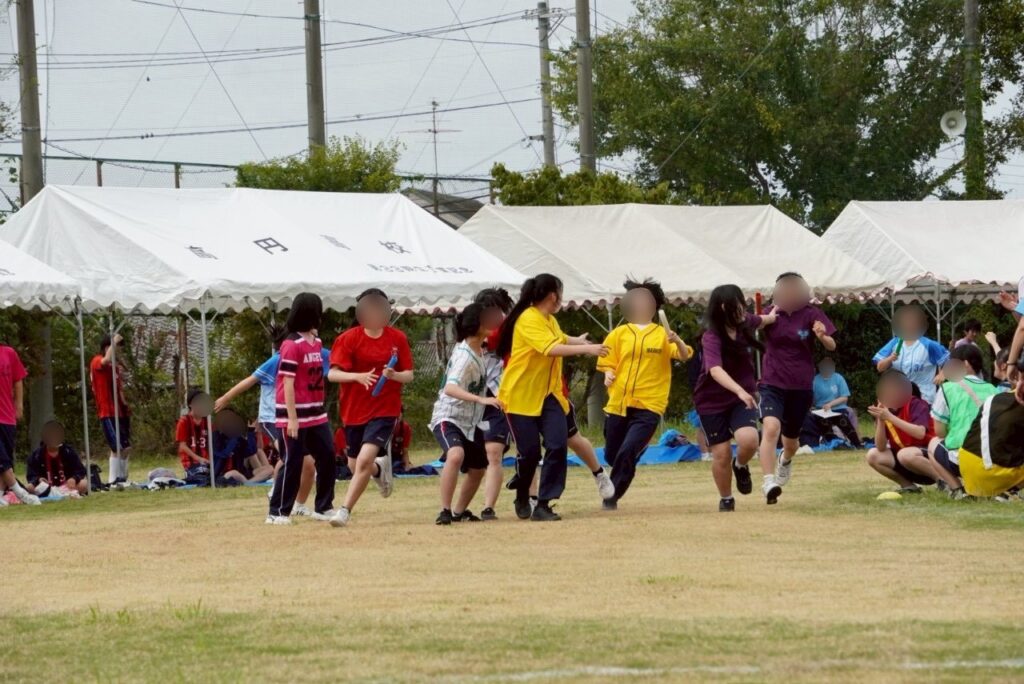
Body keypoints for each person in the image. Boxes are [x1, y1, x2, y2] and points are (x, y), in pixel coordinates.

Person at [495, 274, 608, 522]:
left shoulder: (549, 320)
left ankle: (544, 504)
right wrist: (587, 349)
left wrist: (576, 340)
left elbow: (559, 338)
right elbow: (550, 348)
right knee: (530, 453)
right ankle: (523, 493)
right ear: (553, 295)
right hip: (520, 396)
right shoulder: (528, 319)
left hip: (549, 395)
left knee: (557, 445)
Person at [596, 278, 692, 509]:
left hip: (649, 404)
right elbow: (607, 361)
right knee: (612, 454)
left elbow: (684, 355)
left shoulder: (662, 334)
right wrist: (608, 373)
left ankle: (612, 497)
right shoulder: (619, 333)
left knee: (627, 451)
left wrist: (677, 340)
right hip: (618, 403)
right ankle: (635, 453)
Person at [328, 288, 414, 527]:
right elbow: (333, 374)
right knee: (355, 465)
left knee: (364, 459)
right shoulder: (347, 339)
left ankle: (344, 511)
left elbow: (409, 375)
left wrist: (394, 375)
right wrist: (357, 377)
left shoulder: (397, 339)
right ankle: (379, 470)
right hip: (354, 411)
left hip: (385, 409)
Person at [216, 327, 323, 515]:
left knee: (307, 464)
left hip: (294, 418)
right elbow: (250, 380)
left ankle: (298, 505)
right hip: (272, 418)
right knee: (292, 456)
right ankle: (276, 491)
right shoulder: (277, 360)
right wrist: (226, 398)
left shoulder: (309, 356)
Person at [693, 285, 776, 511]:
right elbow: (715, 370)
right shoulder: (711, 337)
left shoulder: (744, 321)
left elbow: (763, 320)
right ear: (723, 307)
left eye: (742, 304)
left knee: (749, 440)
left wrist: (775, 313)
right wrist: (739, 390)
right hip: (711, 402)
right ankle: (727, 499)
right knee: (721, 454)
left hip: (742, 398)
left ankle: (740, 465)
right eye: (737, 305)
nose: (742, 310)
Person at [757, 272, 837, 501]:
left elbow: (831, 345)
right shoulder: (770, 312)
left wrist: (822, 336)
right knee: (771, 428)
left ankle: (785, 460)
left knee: (791, 443)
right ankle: (768, 482)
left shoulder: (812, 313)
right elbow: (749, 326)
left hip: (801, 386)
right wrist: (765, 320)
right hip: (772, 383)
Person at [267, 293, 337, 525]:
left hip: (316, 413)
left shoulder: (316, 342)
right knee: (292, 462)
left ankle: (324, 506)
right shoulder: (290, 345)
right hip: (294, 414)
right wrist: (292, 419)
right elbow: (287, 383)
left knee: (327, 455)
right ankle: (277, 512)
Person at [430, 303, 502, 524]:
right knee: (455, 455)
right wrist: (482, 399)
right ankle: (444, 510)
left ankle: (458, 512)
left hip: (470, 422)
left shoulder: (478, 348)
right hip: (448, 416)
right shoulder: (465, 356)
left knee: (478, 468)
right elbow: (450, 388)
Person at [927, 345, 1000, 499]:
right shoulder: (994, 390)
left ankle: (957, 490)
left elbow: (940, 431)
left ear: (965, 364)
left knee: (933, 443)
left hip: (964, 459)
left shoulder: (948, 388)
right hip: (994, 461)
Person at [476, 287, 516, 521]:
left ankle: (490, 507)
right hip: (477, 399)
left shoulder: (509, 328)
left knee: (496, 452)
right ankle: (458, 509)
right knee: (479, 459)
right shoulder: (473, 328)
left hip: (503, 396)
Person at [864, 370, 937, 492]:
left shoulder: (915, 403)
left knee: (905, 454)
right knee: (873, 455)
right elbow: (881, 447)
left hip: (929, 458)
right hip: (906, 461)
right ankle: (909, 486)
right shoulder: (886, 410)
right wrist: (881, 420)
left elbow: (920, 433)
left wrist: (890, 417)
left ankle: (944, 481)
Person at [873, 305, 948, 404]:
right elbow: (880, 367)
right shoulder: (894, 343)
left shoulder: (929, 345)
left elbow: (950, 361)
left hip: (923, 398)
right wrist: (890, 358)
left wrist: (942, 374)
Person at [957, 390, 1024, 498]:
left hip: (967, 466)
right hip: (995, 474)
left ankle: (962, 489)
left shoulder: (994, 398)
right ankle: (1010, 492)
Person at [90, 334, 132, 485]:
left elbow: (119, 390)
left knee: (126, 447)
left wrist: (125, 405)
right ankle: (113, 480)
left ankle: (123, 477)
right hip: (107, 412)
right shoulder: (97, 361)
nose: (118, 352)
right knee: (117, 448)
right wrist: (114, 340)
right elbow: (105, 360)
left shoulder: (115, 368)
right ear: (107, 348)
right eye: (116, 348)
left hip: (119, 412)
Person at [0, 341, 37, 506]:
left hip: (7, 416)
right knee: (2, 459)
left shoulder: (8, 353)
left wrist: (19, 405)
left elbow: (18, 379)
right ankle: (21, 493)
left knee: (5, 460)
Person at [800, 358, 862, 448]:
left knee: (843, 420)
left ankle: (857, 444)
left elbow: (844, 397)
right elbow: (810, 398)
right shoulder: (815, 380)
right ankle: (833, 443)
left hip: (838, 409)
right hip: (821, 411)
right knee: (824, 422)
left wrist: (830, 404)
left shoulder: (839, 378)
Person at [25, 420, 87, 498]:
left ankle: (65, 494)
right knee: (29, 487)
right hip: (45, 488)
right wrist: (39, 480)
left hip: (67, 487)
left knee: (84, 484)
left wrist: (74, 478)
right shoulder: (36, 455)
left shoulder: (68, 452)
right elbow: (31, 475)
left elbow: (80, 470)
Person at [212, 408, 274, 484]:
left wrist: (250, 432)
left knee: (270, 469)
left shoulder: (237, 436)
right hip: (223, 473)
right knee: (234, 473)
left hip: (241, 472)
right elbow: (224, 454)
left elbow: (251, 452)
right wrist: (234, 438)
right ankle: (250, 482)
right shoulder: (217, 436)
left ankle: (248, 482)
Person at [176, 389, 213, 482]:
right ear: (190, 404)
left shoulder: (208, 421)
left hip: (207, 461)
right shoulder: (184, 421)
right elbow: (182, 446)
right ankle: (190, 474)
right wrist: (199, 458)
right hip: (191, 462)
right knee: (202, 477)